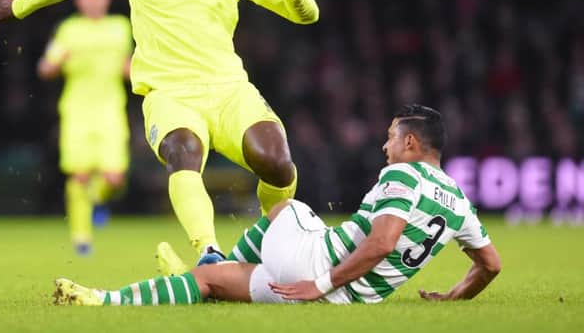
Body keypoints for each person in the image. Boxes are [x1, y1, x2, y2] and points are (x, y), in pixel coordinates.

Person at [0, 0, 319, 264]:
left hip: (229, 91)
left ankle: (270, 241)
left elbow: (307, 15)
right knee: (183, 151)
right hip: (169, 95)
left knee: (277, 162)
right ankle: (209, 252)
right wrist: (19, 6)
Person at [52, 104, 502, 306]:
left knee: (286, 207)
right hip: (347, 301)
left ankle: (117, 292)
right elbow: (490, 265)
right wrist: (451, 297)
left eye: (390, 137)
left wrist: (319, 282)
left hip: (317, 271)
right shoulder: (460, 203)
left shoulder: (404, 173)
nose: (384, 146)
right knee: (210, 283)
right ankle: (101, 300)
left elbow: (383, 243)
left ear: (409, 142)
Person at [37, 0, 133, 255]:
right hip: (77, 110)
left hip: (111, 109)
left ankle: (94, 200)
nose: (93, 1)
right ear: (79, 1)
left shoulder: (120, 27)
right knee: (79, 175)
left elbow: (127, 66)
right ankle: (81, 238)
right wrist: (55, 63)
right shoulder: (68, 30)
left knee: (114, 178)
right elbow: (45, 67)